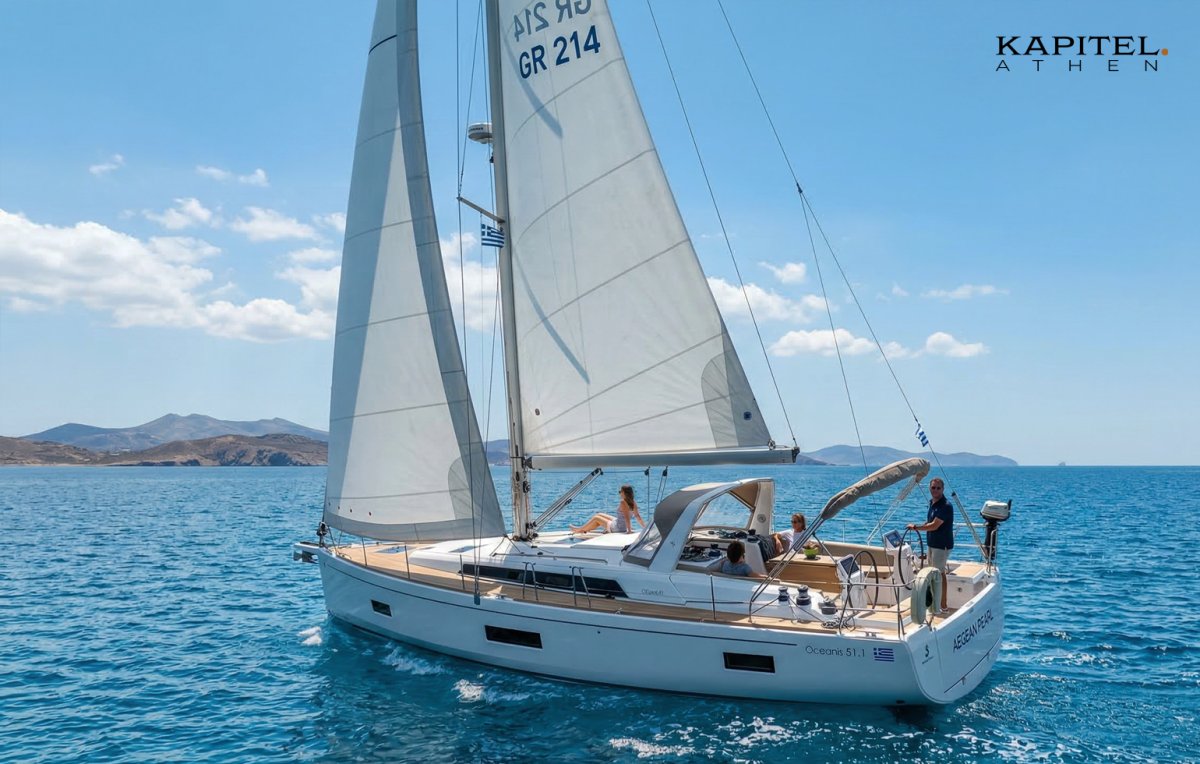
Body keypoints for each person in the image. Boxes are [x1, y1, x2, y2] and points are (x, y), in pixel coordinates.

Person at [907, 477, 953, 612]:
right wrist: (922, 527)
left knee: (939, 573)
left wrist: (915, 527)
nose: (935, 490)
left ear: (943, 489)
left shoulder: (945, 506)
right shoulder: (933, 503)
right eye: (933, 488)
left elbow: (934, 526)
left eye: (938, 488)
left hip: (941, 545)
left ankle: (942, 605)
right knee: (935, 572)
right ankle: (936, 602)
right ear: (929, 488)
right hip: (932, 544)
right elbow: (929, 523)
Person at [570, 484, 645, 534]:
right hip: (621, 524)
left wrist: (629, 531)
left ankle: (579, 530)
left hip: (618, 528)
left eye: (620, 492)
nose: (619, 493)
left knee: (596, 518)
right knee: (599, 514)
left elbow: (626, 518)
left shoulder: (623, 502)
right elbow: (637, 516)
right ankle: (584, 529)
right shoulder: (633, 502)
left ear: (624, 493)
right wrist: (645, 528)